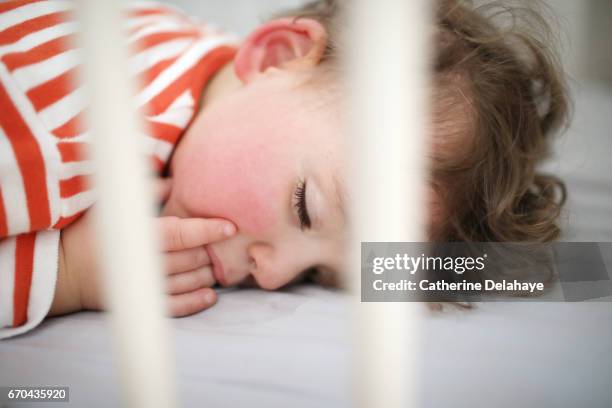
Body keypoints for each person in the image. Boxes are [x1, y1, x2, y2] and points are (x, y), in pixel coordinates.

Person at [0, 0, 570, 338]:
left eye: (313, 275)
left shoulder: (221, 70)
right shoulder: (58, 146)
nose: (271, 276)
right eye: (305, 207)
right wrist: (68, 274)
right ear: (275, 57)